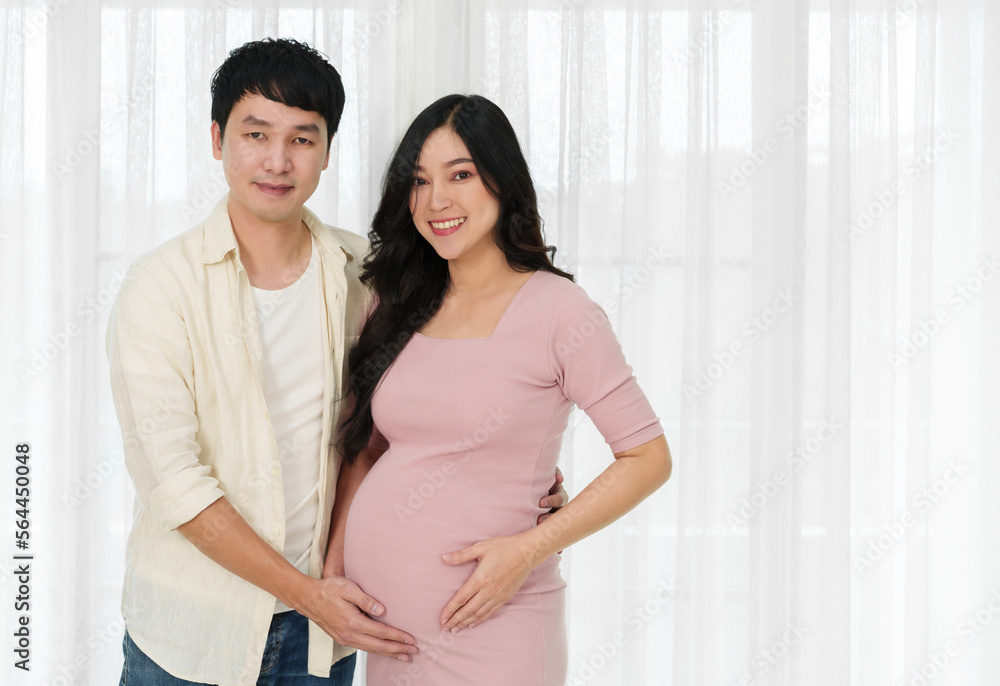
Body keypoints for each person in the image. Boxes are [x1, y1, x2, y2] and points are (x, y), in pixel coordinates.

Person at [106, 39, 569, 685]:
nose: (278, 160)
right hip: (192, 635)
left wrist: (513, 478)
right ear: (216, 139)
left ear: (326, 151)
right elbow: (174, 483)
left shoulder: (366, 276)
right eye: (256, 134)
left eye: (302, 138)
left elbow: (403, 423)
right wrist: (306, 593)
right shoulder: (160, 286)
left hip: (332, 631)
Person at [334, 94, 673, 685]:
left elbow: (647, 457)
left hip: (498, 629)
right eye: (419, 181)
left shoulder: (561, 311)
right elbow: (367, 450)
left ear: (502, 180)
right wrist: (335, 571)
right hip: (387, 636)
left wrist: (527, 550)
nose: (436, 200)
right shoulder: (396, 304)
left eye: (460, 175)